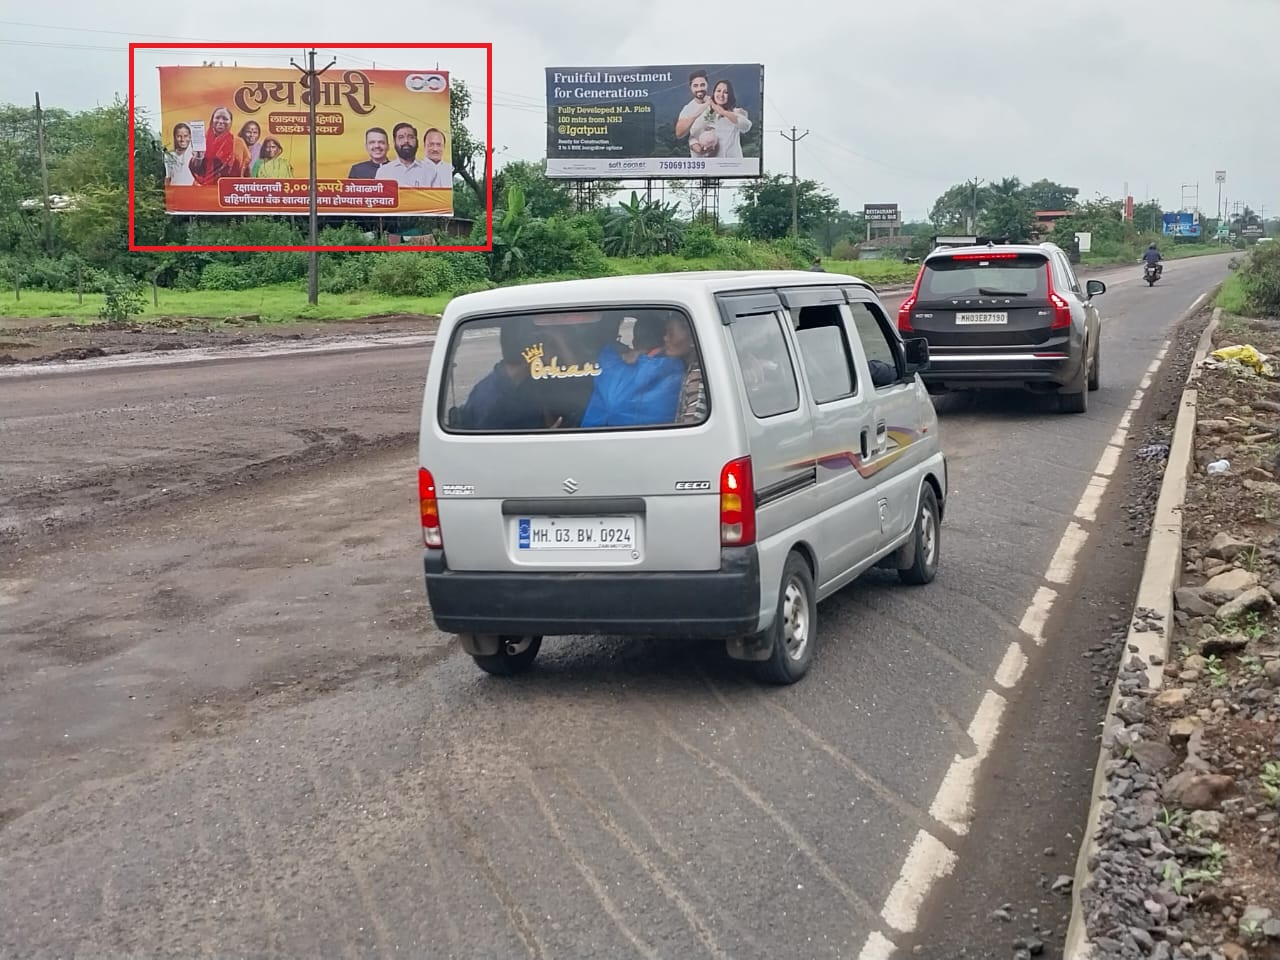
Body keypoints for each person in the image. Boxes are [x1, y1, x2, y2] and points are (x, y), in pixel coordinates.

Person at [580, 315, 685, 427]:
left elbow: (613, 407)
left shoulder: (612, 364)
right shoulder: (677, 366)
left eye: (670, 333)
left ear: (635, 341)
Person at [455, 322, 544, 430]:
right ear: (531, 356)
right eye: (546, 348)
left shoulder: (520, 383)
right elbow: (491, 446)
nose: (553, 355)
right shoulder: (492, 404)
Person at [688, 79, 752, 159]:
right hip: (712, 165)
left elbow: (746, 126)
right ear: (714, 93)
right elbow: (693, 136)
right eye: (718, 91)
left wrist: (723, 112)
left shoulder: (735, 113)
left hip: (733, 164)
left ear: (730, 95)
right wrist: (700, 149)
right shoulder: (706, 113)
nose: (721, 94)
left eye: (726, 92)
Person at [188, 106, 251, 184]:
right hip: (204, 189)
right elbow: (196, 169)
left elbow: (245, 169)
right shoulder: (202, 140)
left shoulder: (238, 143)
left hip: (230, 189)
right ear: (212, 120)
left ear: (231, 122)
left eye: (225, 119)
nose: (221, 121)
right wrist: (198, 156)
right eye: (217, 118)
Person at [664, 313, 708, 424]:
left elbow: (692, 424)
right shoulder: (693, 367)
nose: (665, 338)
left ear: (693, 338)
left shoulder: (697, 378)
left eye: (671, 333)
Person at [375, 122, 433, 186]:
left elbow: (438, 195)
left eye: (411, 137)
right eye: (401, 137)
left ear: (417, 141)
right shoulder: (384, 172)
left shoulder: (430, 171)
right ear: (394, 142)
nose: (406, 141)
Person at [674, 69, 711, 157]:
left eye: (702, 85)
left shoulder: (717, 102)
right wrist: (702, 108)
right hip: (700, 163)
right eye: (695, 86)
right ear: (691, 87)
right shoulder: (687, 109)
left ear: (707, 85)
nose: (699, 89)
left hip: (721, 160)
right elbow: (679, 133)